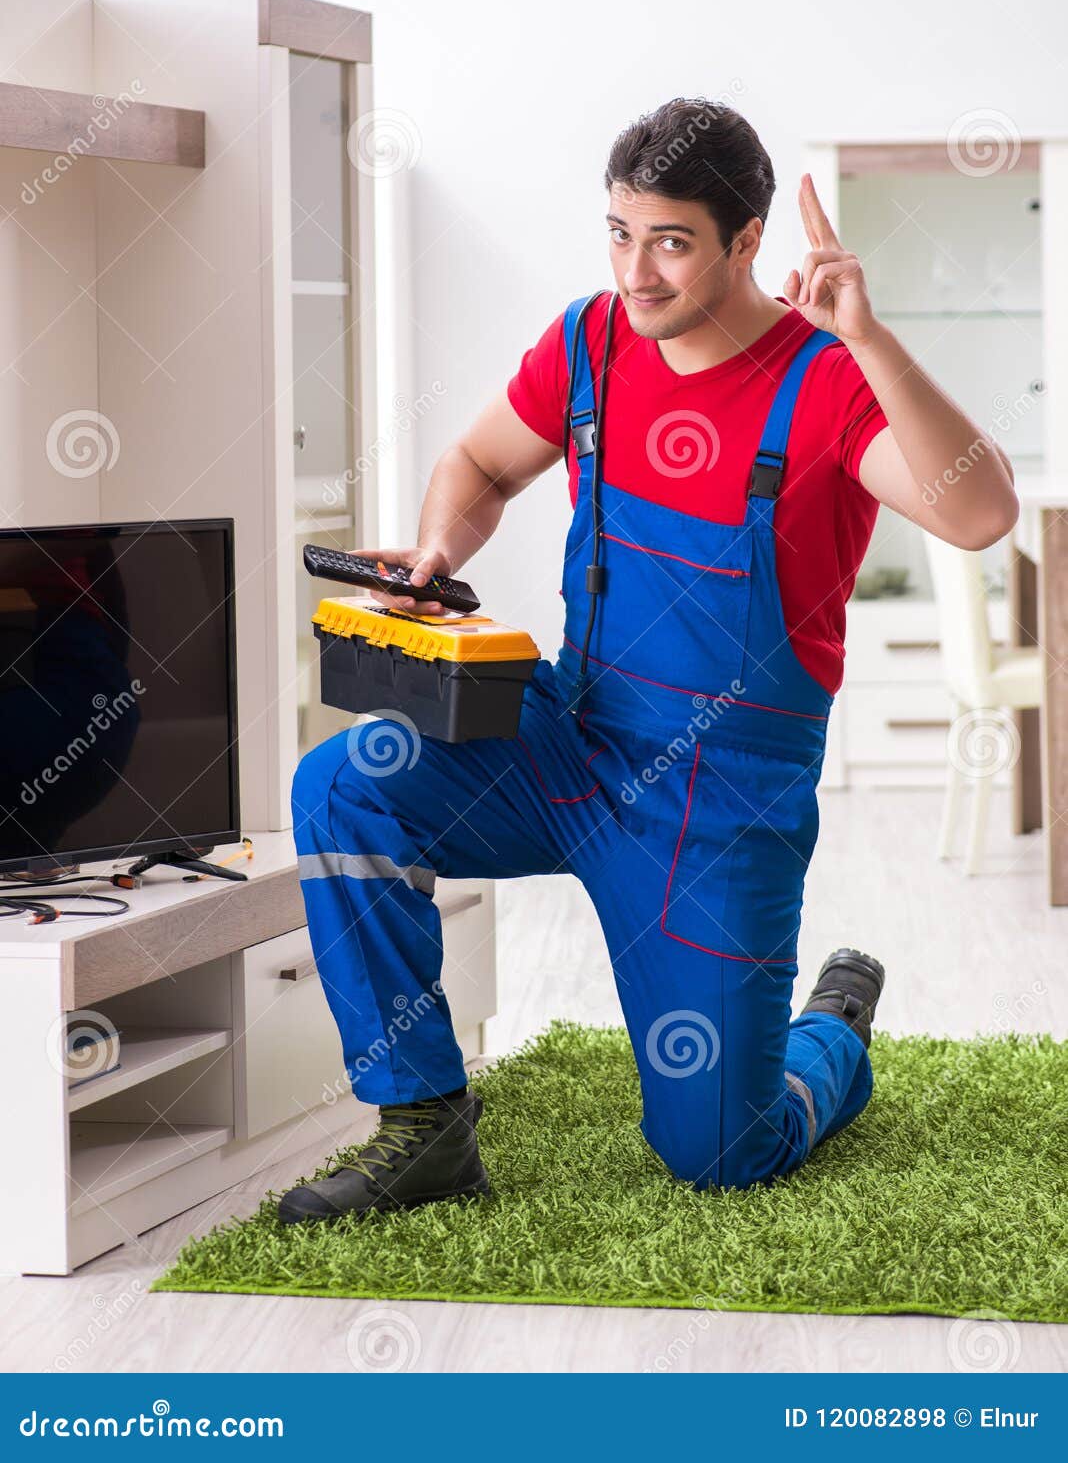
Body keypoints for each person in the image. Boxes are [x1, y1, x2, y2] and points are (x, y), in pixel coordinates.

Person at [278, 97, 1019, 1225]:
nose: (637, 270)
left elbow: (978, 513)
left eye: (671, 240)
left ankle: (831, 1036)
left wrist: (869, 334)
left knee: (722, 1151)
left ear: (746, 240)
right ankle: (423, 1123)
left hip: (724, 800)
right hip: (570, 740)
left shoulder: (825, 382)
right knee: (343, 781)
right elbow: (477, 463)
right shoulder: (590, 342)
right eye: (620, 233)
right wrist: (438, 546)